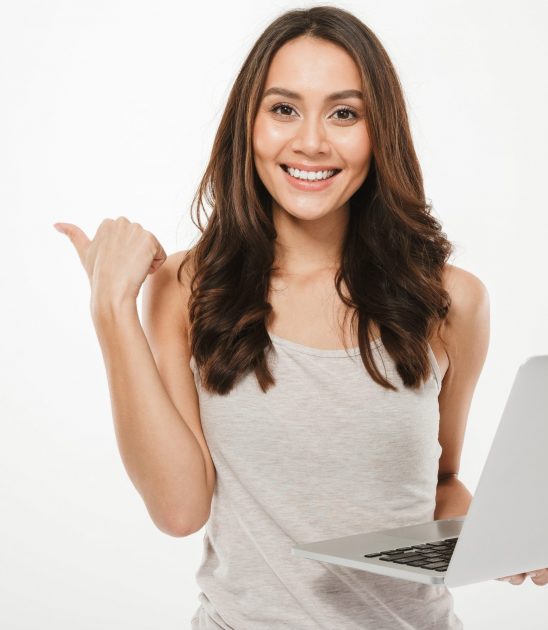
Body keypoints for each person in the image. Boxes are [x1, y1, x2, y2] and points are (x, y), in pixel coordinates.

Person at [53, 5, 547, 629]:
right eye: (284, 108)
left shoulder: (451, 301)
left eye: (344, 113)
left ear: (379, 133)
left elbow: (441, 481)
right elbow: (178, 511)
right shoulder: (187, 287)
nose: (311, 141)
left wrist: (501, 534)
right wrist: (109, 307)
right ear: (249, 126)